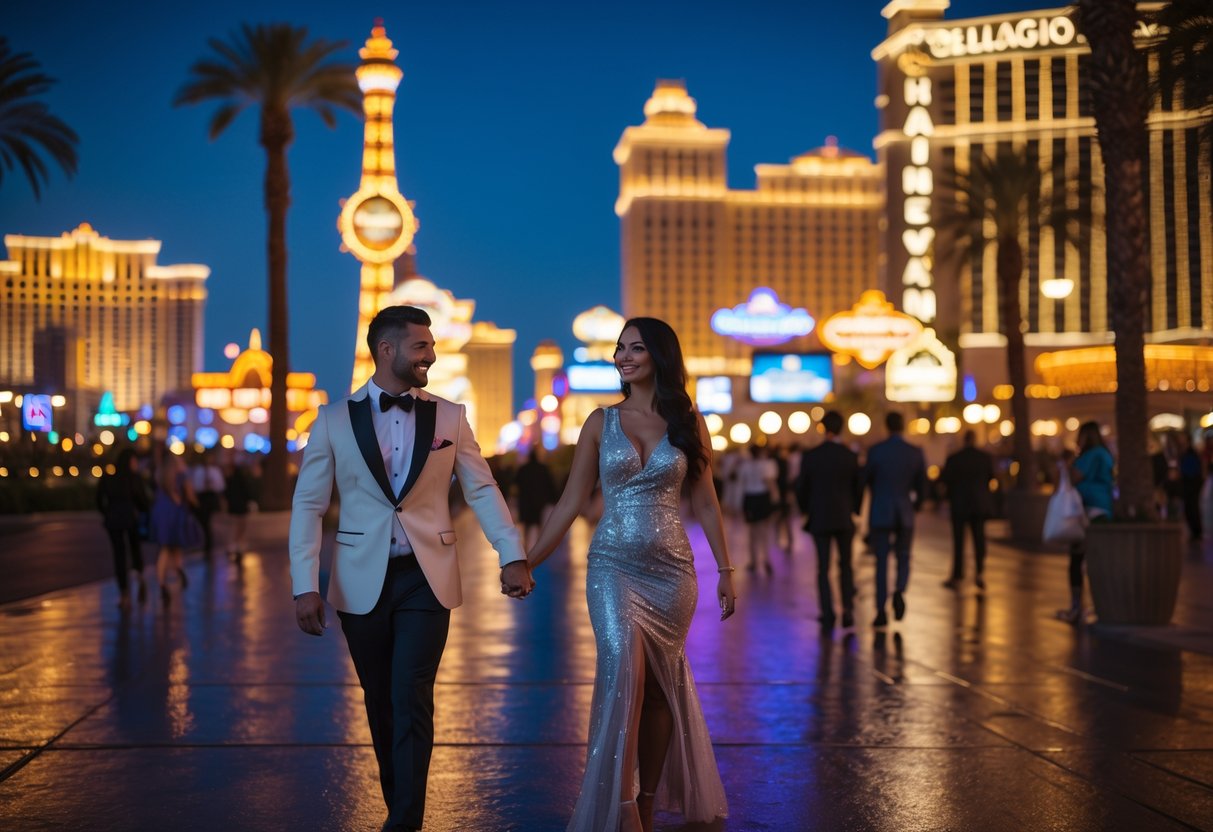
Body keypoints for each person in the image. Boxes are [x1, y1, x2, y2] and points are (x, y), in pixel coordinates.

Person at [289, 305, 532, 832]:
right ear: (387, 350)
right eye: (421, 346)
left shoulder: (450, 416)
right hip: (358, 580)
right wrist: (304, 584)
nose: (432, 355)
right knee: (379, 699)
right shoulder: (332, 420)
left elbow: (482, 488)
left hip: (427, 576)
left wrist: (510, 552)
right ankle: (401, 803)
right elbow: (308, 506)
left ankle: (404, 821)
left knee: (411, 692)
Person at [527, 317, 734, 832]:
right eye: (620, 348)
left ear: (659, 356)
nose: (622, 356)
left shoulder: (690, 422)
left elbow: (706, 504)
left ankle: (645, 800)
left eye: (635, 348)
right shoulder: (600, 421)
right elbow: (572, 500)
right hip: (612, 565)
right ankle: (616, 804)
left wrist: (726, 569)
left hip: (673, 573)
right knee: (624, 674)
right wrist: (527, 560)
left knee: (663, 688)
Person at [796, 410, 862, 630]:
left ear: (824, 428)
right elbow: (858, 487)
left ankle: (828, 612)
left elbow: (801, 487)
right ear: (842, 427)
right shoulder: (849, 456)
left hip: (820, 517)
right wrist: (855, 509)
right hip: (844, 516)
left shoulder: (812, 456)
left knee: (823, 567)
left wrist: (807, 509)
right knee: (846, 565)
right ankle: (848, 609)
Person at [862, 411, 927, 627]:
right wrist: (915, 506)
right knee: (904, 556)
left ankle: (880, 608)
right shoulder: (914, 452)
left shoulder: (876, 451)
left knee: (881, 562)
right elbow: (922, 486)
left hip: (881, 510)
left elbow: (866, 480)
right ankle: (900, 588)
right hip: (904, 510)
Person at [1058, 421, 1115, 623]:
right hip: (1104, 508)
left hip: (1087, 510)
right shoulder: (1105, 454)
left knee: (1077, 557)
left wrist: (1069, 463)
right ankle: (1102, 605)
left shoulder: (1090, 455)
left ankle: (1076, 606)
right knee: (1096, 559)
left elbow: (1074, 477)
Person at [940, 431, 995, 590]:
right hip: (978, 505)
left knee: (959, 542)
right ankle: (979, 572)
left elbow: (945, 480)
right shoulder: (984, 458)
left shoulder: (955, 458)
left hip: (959, 504)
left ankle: (958, 574)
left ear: (964, 440)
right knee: (979, 539)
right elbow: (991, 478)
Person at [96, 449, 150, 609]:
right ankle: (140, 578)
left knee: (119, 555)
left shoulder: (107, 478)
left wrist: (107, 513)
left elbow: (99, 499)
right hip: (130, 519)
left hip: (113, 520)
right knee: (135, 549)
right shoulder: (134, 478)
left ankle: (124, 594)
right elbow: (143, 501)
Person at [149, 454, 201, 604]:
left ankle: (162, 584)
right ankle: (179, 571)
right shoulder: (181, 476)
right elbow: (190, 495)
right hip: (176, 513)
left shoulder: (160, 477)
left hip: (160, 513)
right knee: (176, 546)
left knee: (165, 548)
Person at [738, 443, 779, 574]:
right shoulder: (766, 464)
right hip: (762, 497)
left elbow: (741, 481)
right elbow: (770, 482)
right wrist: (776, 499)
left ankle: (753, 561)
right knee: (764, 531)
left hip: (749, 498)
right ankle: (766, 559)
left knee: (752, 531)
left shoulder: (745, 465)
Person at [514, 448, 558, 548]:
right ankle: (539, 547)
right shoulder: (543, 469)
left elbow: (516, 484)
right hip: (539, 501)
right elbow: (550, 485)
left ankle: (525, 546)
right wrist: (553, 499)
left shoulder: (523, 469)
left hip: (526, 501)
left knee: (526, 525)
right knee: (539, 524)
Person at [189, 449, 226, 560]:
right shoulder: (198, 471)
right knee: (204, 523)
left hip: (211, 498)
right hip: (202, 498)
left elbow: (221, 486)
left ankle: (209, 545)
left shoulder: (215, 471)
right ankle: (205, 543)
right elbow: (194, 486)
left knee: (211, 522)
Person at [223, 454, 258, 563]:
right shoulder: (243, 479)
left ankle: (233, 547)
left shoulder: (230, 479)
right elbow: (247, 491)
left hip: (234, 506)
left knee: (235, 527)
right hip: (241, 506)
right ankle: (238, 547)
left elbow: (226, 493)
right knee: (241, 527)